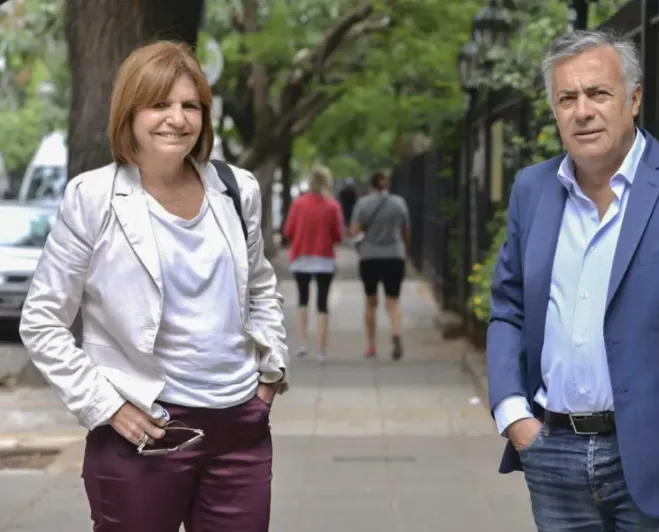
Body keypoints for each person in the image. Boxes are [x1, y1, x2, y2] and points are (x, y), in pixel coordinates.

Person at [486, 29, 659, 531]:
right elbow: (508, 307)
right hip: (552, 453)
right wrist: (513, 414)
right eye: (567, 98)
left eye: (598, 93)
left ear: (633, 99)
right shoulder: (532, 189)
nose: (582, 110)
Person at [18, 41, 289, 531]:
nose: (177, 119)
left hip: (240, 429)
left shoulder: (235, 189)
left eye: (190, 106)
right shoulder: (94, 198)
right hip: (146, 430)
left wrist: (270, 376)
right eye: (159, 104)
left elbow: (260, 288)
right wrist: (107, 405)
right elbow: (42, 321)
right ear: (130, 113)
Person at [282, 165, 343, 361]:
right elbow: (338, 235)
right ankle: (322, 350)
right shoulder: (332, 206)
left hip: (301, 257)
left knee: (302, 300)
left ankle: (302, 343)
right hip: (324, 259)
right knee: (322, 303)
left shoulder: (298, 204)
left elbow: (288, 231)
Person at [350, 171, 410, 359]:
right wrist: (404, 249)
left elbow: (355, 230)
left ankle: (371, 346)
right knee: (393, 301)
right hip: (394, 255)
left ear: (371, 185)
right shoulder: (399, 203)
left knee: (370, 301)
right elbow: (406, 230)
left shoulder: (363, 204)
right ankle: (396, 333)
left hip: (370, 256)